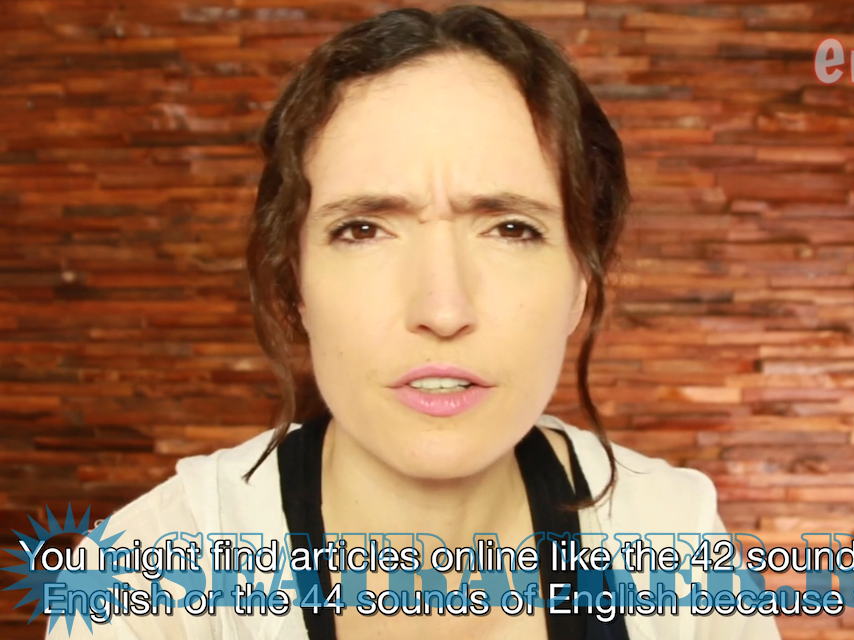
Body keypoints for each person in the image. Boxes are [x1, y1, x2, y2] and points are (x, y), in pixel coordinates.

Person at [46, 6, 781, 640]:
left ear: (581, 285)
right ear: (293, 283)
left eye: (511, 228)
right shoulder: (145, 580)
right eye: (363, 229)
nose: (442, 310)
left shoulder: (673, 541)